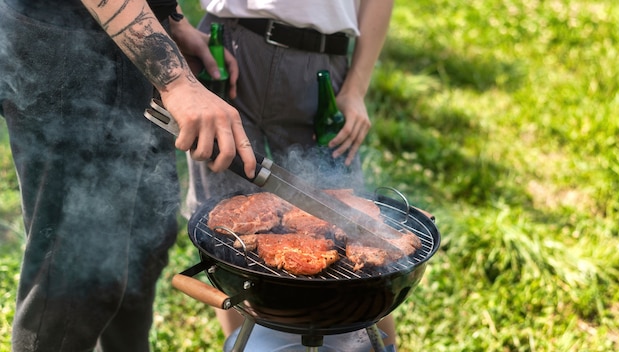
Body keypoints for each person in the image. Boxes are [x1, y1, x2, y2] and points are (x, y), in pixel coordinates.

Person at [0, 0, 256, 351]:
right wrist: (177, 80)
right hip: (68, 52)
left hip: (130, 46)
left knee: (145, 245)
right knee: (75, 275)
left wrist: (171, 19)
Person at [183, 0, 397, 348]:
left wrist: (356, 89)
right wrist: (178, 25)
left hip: (321, 67)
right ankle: (245, 344)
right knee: (225, 240)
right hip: (226, 50)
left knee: (359, 231)